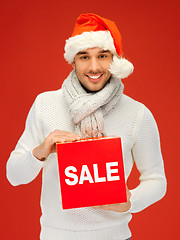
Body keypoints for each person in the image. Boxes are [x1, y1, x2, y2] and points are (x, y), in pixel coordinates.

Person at [6, 13, 167, 240]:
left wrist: (129, 200)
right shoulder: (45, 104)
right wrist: (40, 151)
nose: (94, 67)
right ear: (72, 61)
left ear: (115, 58)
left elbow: (157, 180)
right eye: (84, 57)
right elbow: (13, 175)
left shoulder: (137, 113)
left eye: (102, 55)